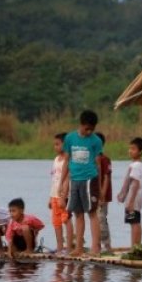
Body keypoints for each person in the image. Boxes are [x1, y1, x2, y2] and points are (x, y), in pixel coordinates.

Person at [61, 110, 103, 257]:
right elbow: (66, 160)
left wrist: (100, 187)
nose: (89, 131)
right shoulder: (70, 138)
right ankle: (78, 247)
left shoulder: (96, 141)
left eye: (92, 129)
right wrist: (62, 183)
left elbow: (98, 164)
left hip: (89, 180)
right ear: (81, 124)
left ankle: (95, 248)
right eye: (87, 128)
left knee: (92, 213)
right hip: (75, 180)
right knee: (78, 214)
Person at [118, 137, 142, 247]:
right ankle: (135, 245)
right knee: (133, 221)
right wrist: (123, 194)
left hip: (133, 198)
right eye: (130, 148)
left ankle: (135, 246)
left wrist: (130, 201)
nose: (130, 151)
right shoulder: (136, 165)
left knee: (134, 222)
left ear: (141, 152)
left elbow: (135, 183)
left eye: (133, 149)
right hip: (133, 197)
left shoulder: (136, 166)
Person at [48, 132, 73, 254]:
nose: (55, 147)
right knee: (56, 222)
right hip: (54, 195)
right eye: (54, 145)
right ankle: (59, 247)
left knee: (66, 219)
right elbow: (54, 179)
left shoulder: (68, 160)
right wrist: (50, 197)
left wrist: (63, 196)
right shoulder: (56, 159)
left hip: (64, 195)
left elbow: (68, 178)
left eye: (58, 144)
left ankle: (69, 247)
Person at [96, 132, 113, 253]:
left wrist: (102, 193)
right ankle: (97, 245)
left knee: (101, 219)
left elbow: (107, 177)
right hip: (93, 195)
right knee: (96, 219)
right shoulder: (93, 159)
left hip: (102, 196)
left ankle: (106, 246)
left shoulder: (105, 159)